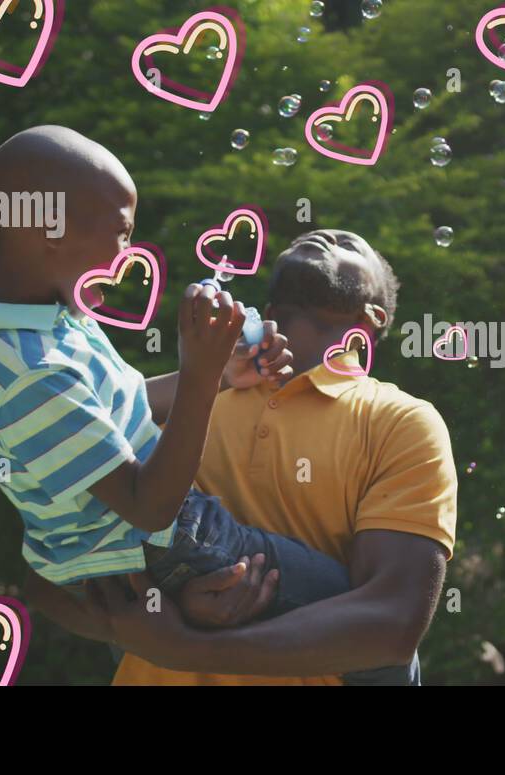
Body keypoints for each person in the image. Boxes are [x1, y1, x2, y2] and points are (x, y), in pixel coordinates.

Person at [0, 126, 413, 683]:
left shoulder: (34, 321)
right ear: (51, 227)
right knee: (376, 648)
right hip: (159, 544)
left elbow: (119, 409)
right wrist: (197, 380)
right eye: (122, 233)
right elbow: (144, 511)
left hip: (136, 558)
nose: (128, 252)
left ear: (374, 319)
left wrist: (214, 375)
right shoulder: (37, 371)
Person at [41, 229, 459, 686]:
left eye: (349, 245)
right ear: (272, 308)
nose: (323, 235)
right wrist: (168, 605)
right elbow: (44, 582)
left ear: (372, 316)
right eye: (306, 238)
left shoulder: (403, 422)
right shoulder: (186, 399)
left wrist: (187, 646)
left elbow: (392, 627)